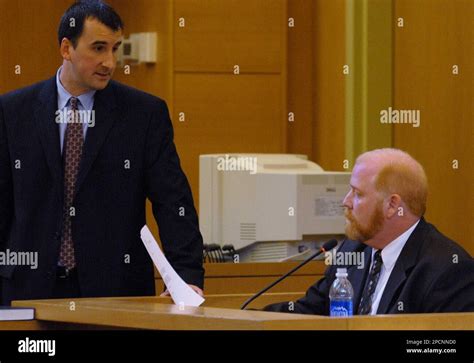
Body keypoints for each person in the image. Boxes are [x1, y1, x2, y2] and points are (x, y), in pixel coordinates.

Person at [0, 0, 204, 305]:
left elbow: (173, 200)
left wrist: (187, 275)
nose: (110, 62)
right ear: (66, 48)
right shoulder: (13, 111)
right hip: (28, 288)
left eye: (115, 48)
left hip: (115, 290)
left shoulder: (143, 114)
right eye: (98, 48)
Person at [265, 148, 474, 314]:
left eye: (357, 194)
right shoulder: (353, 250)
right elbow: (310, 312)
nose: (345, 202)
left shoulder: (447, 270)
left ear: (392, 205)